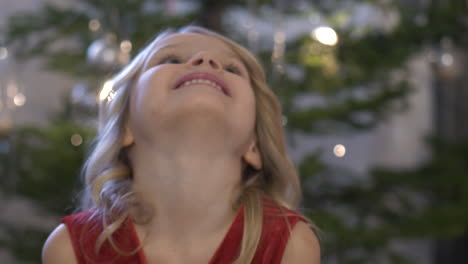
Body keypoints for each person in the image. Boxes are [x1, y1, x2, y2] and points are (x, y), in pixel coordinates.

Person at [42, 25, 320, 264]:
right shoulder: (71, 249)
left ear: (254, 146)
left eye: (233, 68)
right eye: (172, 58)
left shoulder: (290, 247)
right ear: (125, 127)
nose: (205, 60)